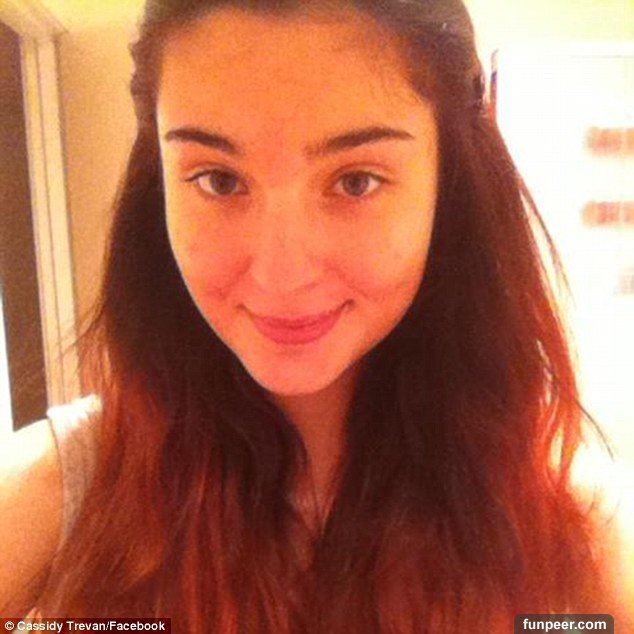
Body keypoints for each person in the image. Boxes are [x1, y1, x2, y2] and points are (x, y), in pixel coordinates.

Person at [0, 0, 631, 631]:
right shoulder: (64, 497)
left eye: (356, 181)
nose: (282, 275)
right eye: (218, 180)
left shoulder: (569, 519)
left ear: (449, 186)